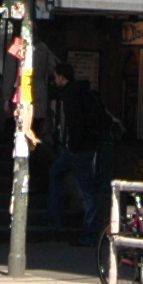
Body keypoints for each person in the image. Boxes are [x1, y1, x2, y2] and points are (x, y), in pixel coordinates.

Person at [46, 65, 107, 230]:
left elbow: (75, 123)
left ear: (61, 76)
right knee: (58, 173)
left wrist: (73, 147)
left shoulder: (70, 95)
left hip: (79, 148)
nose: (54, 80)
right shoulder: (80, 91)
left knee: (85, 191)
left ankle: (88, 231)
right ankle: (57, 218)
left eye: (56, 76)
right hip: (85, 145)